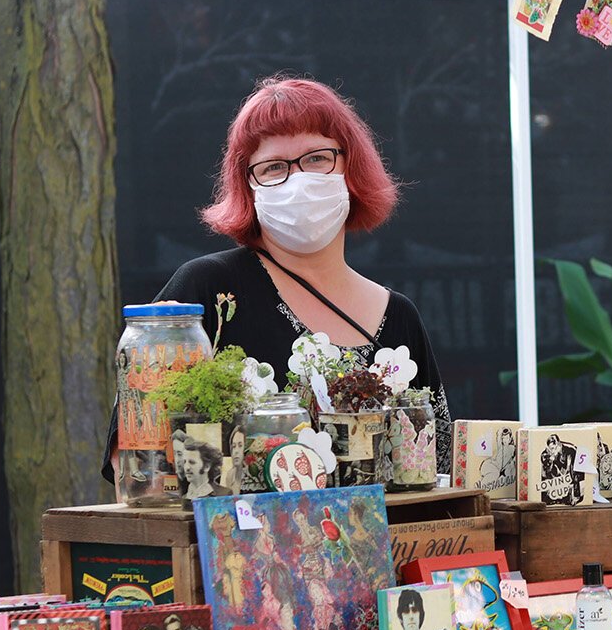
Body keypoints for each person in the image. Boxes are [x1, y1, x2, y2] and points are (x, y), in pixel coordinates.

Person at [104, 75, 452, 480]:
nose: (298, 180)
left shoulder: (400, 317)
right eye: (273, 168)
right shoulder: (209, 291)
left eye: (317, 158)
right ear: (248, 186)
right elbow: (135, 466)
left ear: (351, 165)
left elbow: (439, 468)